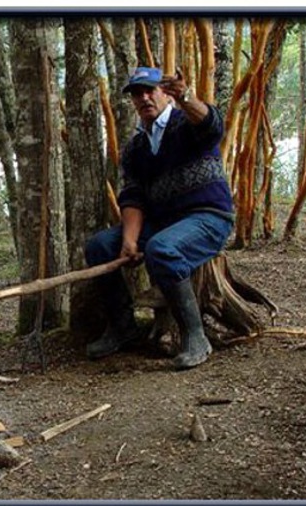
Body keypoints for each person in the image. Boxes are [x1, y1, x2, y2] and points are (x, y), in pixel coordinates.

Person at [84, 67, 234, 370]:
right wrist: (128, 240)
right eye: (137, 93)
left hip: (208, 218)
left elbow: (212, 126)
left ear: (166, 93)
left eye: (150, 90)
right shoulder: (136, 147)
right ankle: (123, 326)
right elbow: (134, 196)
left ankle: (195, 336)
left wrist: (187, 97)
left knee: (162, 249)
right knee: (99, 247)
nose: (144, 97)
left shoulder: (186, 124)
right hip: (165, 223)